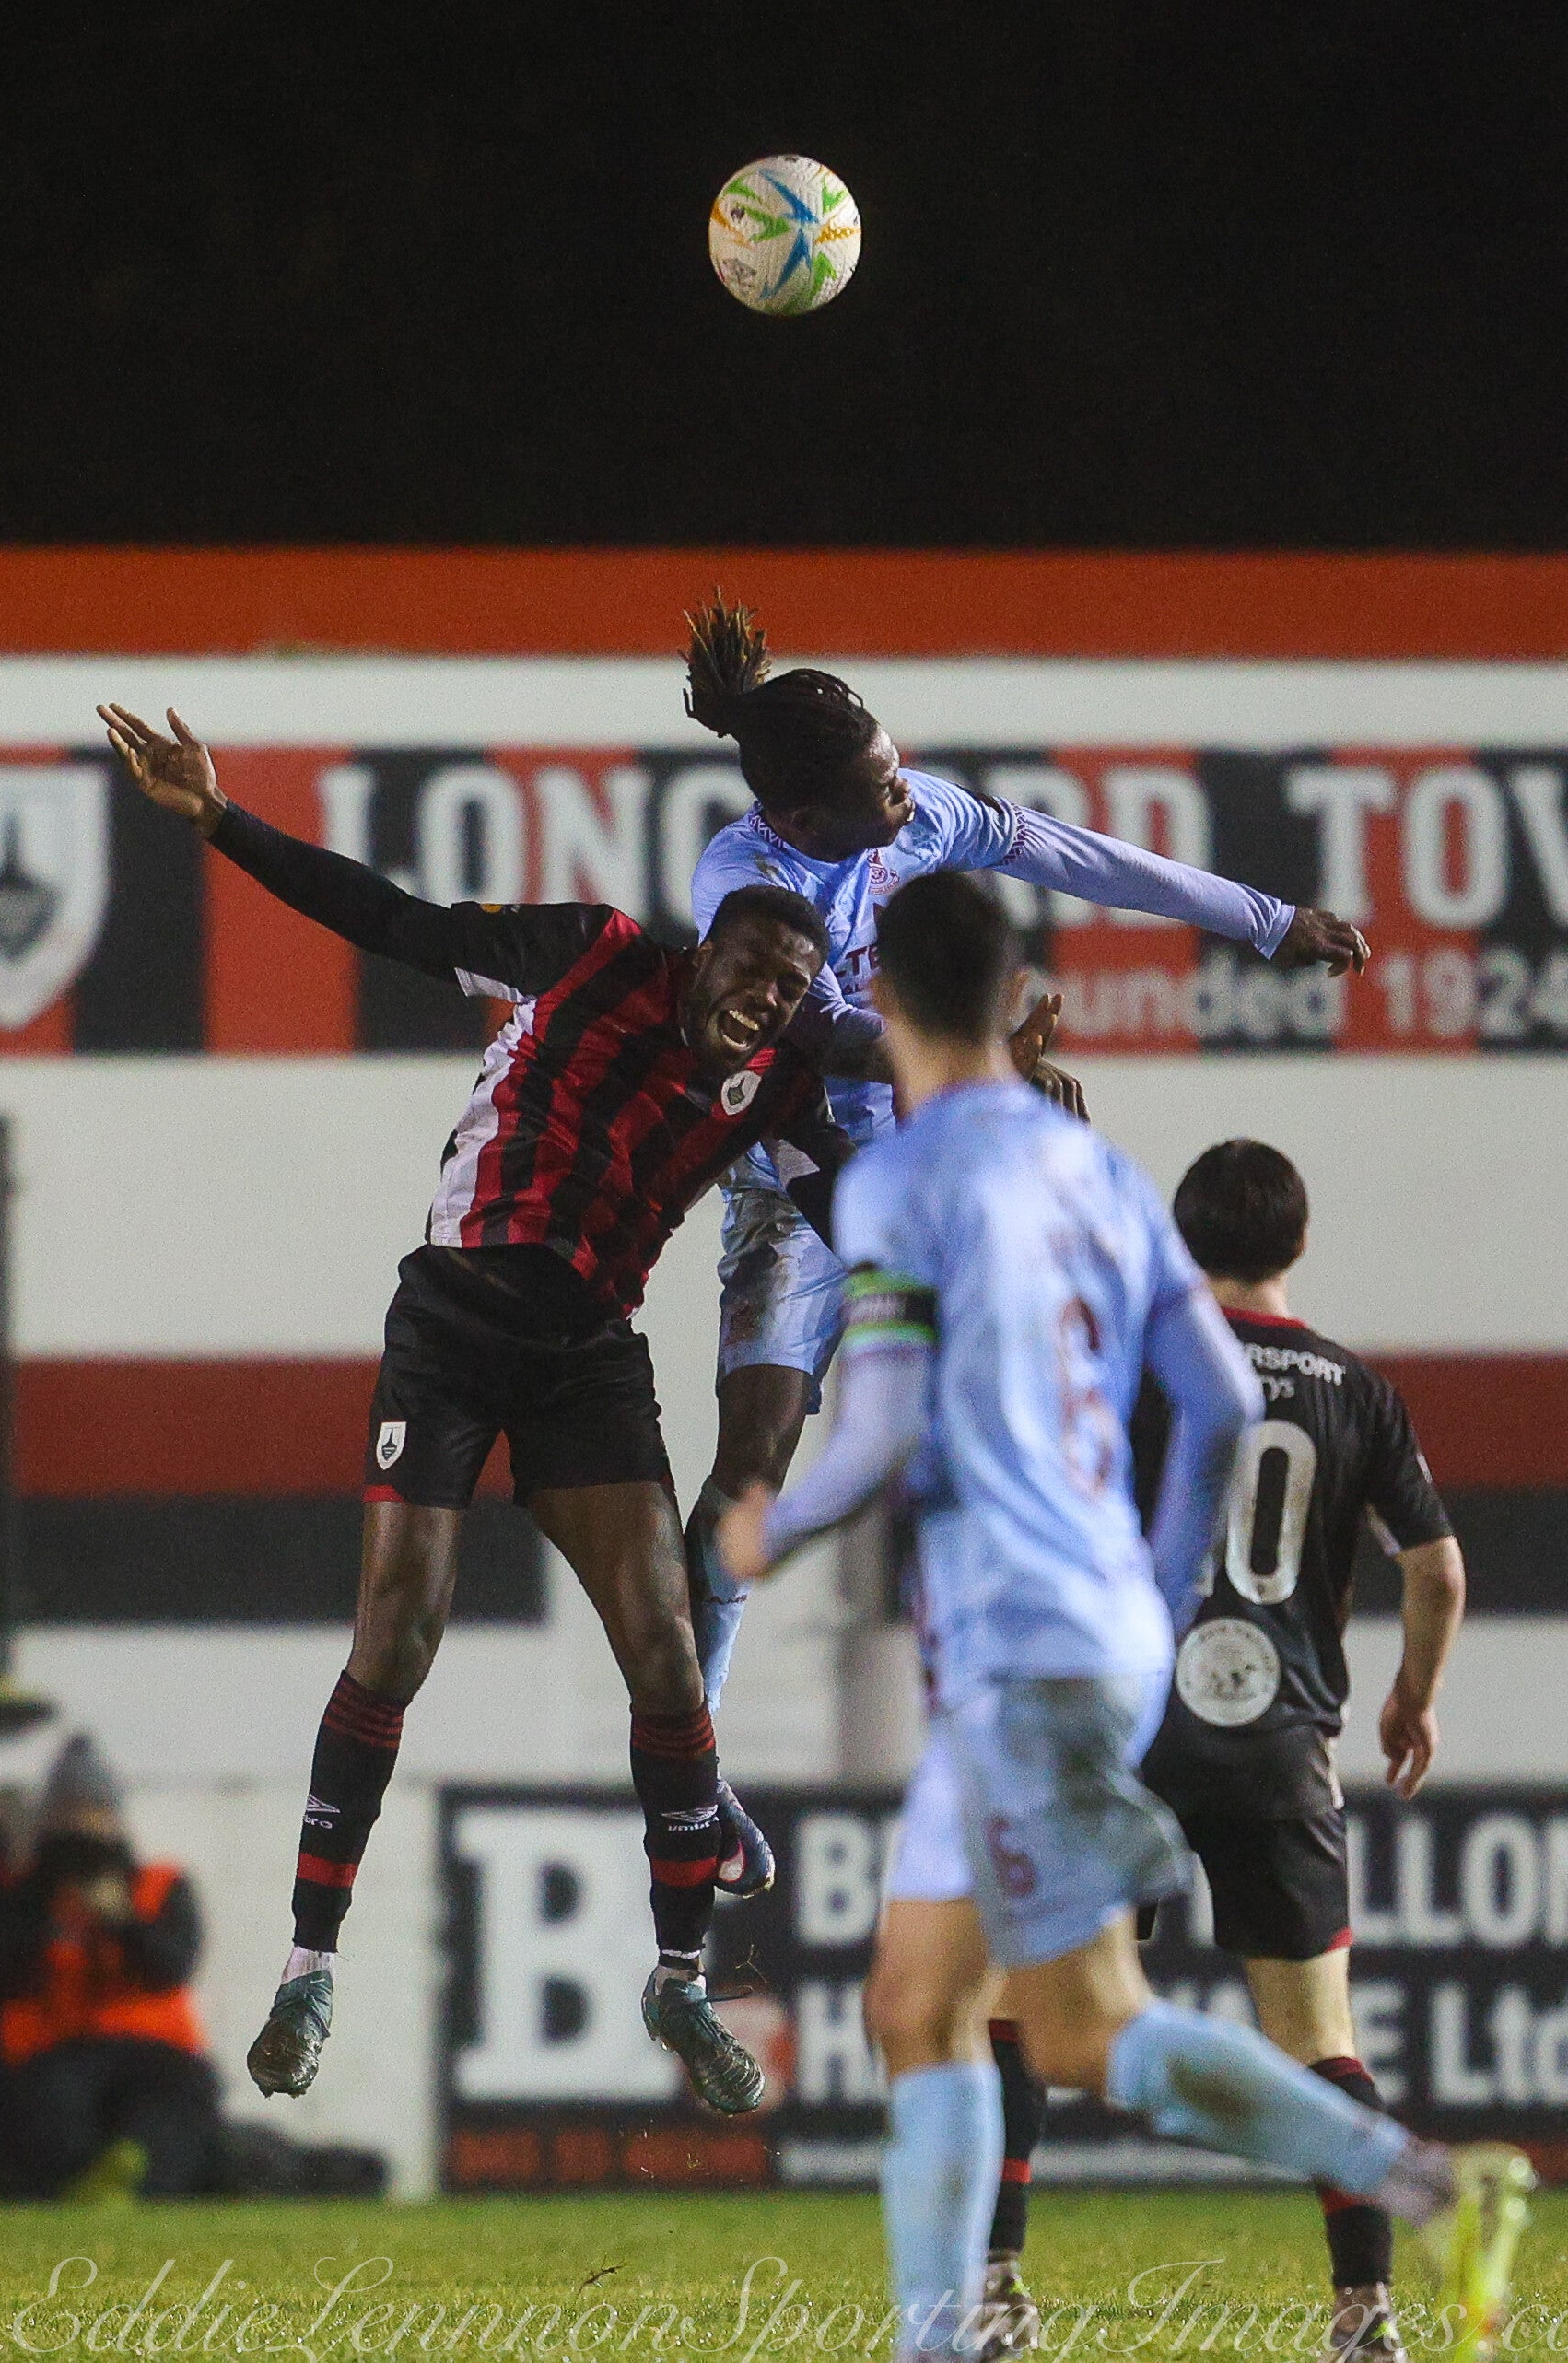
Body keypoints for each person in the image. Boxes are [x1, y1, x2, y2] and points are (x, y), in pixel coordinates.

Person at [719, 872, 1530, 2363]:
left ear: (877, 1001)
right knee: (918, 2001)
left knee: (1073, 2026)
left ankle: (1418, 2184)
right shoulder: (1093, 1174)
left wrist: (768, 1524)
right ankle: (957, 2332)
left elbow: (882, 1425)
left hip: (1019, 1642)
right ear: (1007, 993)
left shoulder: (903, 1179)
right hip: (1088, 1638)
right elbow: (1215, 1397)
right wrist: (1149, 1596)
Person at [100, 700, 858, 2121]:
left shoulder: (779, 1087)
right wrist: (219, 819)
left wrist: (1005, 1141)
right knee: (400, 1632)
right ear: (706, 951)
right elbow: (392, 921)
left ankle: (679, 1982)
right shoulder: (595, 951)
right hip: (451, 1322)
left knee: (666, 1654)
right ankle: (308, 1967)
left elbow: (874, 1212)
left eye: (789, 989)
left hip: (585, 1354)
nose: (765, 1000)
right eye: (755, 969)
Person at [679, 591, 1369, 1736]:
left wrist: (1260, 917)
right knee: (751, 1462)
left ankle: (1069, 1649)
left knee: (1013, 1400)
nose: (907, 795)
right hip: (803, 1174)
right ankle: (690, 1759)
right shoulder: (742, 881)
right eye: (880, 787)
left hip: (931, 1155)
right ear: (800, 817)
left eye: (897, 768)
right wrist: (983, 1061)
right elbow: (815, 1032)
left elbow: (1069, 854)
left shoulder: (915, 816)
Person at [1132, 1140, 1467, 2362]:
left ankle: (994, 2284)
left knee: (1031, 2006)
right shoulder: (1353, 1389)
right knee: (1317, 2037)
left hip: (1129, 1731)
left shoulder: (1141, 1361)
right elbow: (1436, 1570)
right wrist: (1410, 1697)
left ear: (1179, 1246)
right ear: (1299, 1241)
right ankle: (1363, 2311)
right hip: (1277, 1740)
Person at [0, 1736, 219, 2198]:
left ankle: (136, 2175)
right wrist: (40, 1906)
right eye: (69, 1813)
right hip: (60, 2053)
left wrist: (123, 1922)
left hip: (158, 2052)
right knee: (48, 2107)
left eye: (92, 1812)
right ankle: (82, 2179)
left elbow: (172, 1967)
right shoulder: (25, 1896)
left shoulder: (160, 1884)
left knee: (176, 2105)